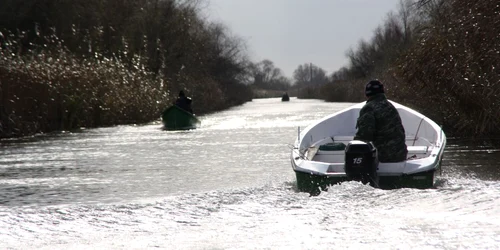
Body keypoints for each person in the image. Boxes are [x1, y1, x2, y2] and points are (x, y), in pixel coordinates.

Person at [353, 80, 407, 162]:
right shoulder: (390, 106)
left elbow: (365, 136)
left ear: (367, 94)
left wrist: (352, 146)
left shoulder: (368, 108)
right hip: (401, 154)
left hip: (384, 156)